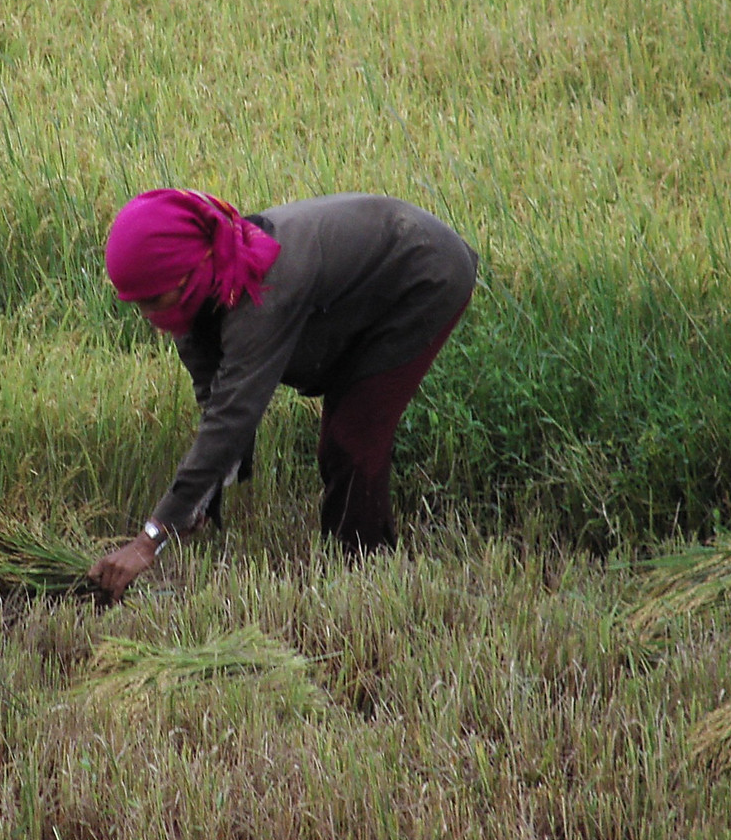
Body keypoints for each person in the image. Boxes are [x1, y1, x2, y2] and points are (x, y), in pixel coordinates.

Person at [88, 188, 477, 602]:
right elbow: (216, 404)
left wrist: (150, 538)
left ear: (192, 267)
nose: (150, 317)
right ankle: (363, 566)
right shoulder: (193, 298)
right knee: (344, 424)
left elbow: (235, 415)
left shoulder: (260, 291)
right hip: (357, 288)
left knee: (353, 436)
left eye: (153, 299)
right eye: (138, 305)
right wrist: (200, 498)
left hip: (422, 272)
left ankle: (366, 579)